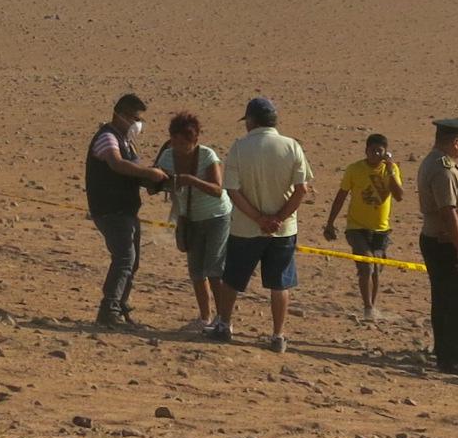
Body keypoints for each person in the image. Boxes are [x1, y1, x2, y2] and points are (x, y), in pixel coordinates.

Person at [214, 96, 309, 352]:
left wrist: (258, 218)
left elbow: (232, 189)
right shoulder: (292, 147)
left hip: (246, 228)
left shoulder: (239, 147)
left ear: (252, 121)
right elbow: (302, 190)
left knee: (232, 279)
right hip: (282, 231)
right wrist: (278, 218)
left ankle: (224, 324)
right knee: (280, 284)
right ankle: (277, 335)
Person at [84, 93, 169, 329]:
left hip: (127, 210)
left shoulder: (125, 141)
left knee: (133, 261)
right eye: (134, 118)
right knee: (124, 259)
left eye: (139, 119)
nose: (137, 123)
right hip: (110, 210)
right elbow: (116, 164)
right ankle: (109, 310)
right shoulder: (107, 137)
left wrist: (152, 180)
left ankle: (120, 306)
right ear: (119, 114)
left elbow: (129, 172)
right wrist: (147, 173)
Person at [413, 116, 458, 378]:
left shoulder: (435, 162)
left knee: (445, 300)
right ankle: (455, 359)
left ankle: (446, 354)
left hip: (440, 241)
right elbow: (448, 211)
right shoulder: (442, 168)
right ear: (454, 142)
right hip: (445, 244)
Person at [153, 111, 231, 331]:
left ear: (193, 140)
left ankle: (223, 319)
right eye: (174, 140)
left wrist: (189, 180)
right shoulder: (167, 156)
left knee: (214, 268)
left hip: (216, 216)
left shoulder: (207, 156)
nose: (177, 146)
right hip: (190, 217)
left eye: (182, 142)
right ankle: (204, 317)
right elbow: (157, 182)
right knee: (196, 269)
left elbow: (217, 190)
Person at [323, 133, 406, 324]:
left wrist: (392, 169)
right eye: (372, 150)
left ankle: (372, 306)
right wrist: (330, 223)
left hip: (381, 229)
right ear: (366, 150)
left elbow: (399, 195)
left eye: (380, 151)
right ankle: (367, 307)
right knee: (366, 266)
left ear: (386, 153)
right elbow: (341, 195)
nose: (375, 154)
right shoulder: (354, 169)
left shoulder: (390, 170)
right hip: (356, 227)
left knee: (376, 269)